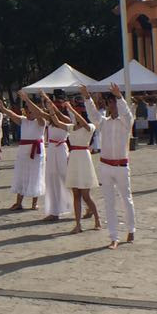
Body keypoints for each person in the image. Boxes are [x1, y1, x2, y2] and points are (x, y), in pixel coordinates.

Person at [80, 83, 134, 249]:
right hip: (106, 166)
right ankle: (113, 236)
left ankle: (131, 229)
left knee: (126, 200)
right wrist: (87, 98)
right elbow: (93, 115)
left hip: (121, 166)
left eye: (115, 102)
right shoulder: (104, 122)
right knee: (109, 202)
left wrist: (119, 97)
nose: (113, 106)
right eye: (110, 103)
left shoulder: (126, 122)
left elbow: (126, 113)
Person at [45, 96, 100, 232]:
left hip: (84, 159)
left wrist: (72, 109)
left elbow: (84, 124)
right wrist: (52, 110)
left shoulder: (90, 127)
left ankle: (97, 219)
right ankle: (78, 224)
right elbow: (57, 122)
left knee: (86, 195)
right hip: (74, 159)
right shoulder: (71, 128)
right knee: (76, 193)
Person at [0, 94, 47, 211]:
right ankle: (18, 202)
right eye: (27, 110)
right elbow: (11, 114)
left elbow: (37, 113)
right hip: (23, 151)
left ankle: (34, 203)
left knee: (35, 175)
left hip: (36, 151)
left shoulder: (41, 121)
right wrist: (3, 108)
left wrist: (27, 100)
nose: (29, 112)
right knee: (21, 175)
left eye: (31, 110)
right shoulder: (23, 120)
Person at [37, 92, 74, 221]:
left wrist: (49, 101)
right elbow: (40, 112)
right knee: (51, 179)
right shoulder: (50, 120)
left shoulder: (67, 120)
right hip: (52, 149)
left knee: (66, 178)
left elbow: (57, 115)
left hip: (62, 149)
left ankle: (82, 206)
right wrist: (33, 100)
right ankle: (54, 211)